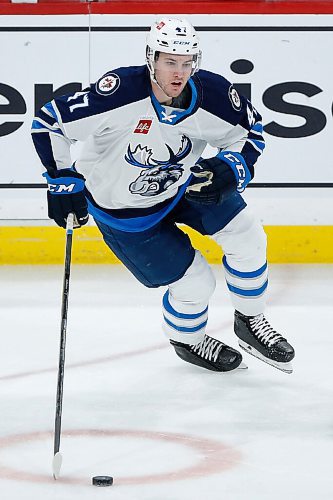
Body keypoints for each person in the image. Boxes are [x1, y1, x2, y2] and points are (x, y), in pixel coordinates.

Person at [31, 18, 295, 374]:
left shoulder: (213, 95)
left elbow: (250, 131)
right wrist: (62, 179)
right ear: (151, 58)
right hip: (125, 213)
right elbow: (50, 121)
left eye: (187, 63)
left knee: (247, 234)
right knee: (197, 283)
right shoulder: (121, 91)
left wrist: (233, 165)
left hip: (184, 186)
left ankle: (250, 321)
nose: (179, 73)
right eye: (170, 61)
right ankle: (188, 340)